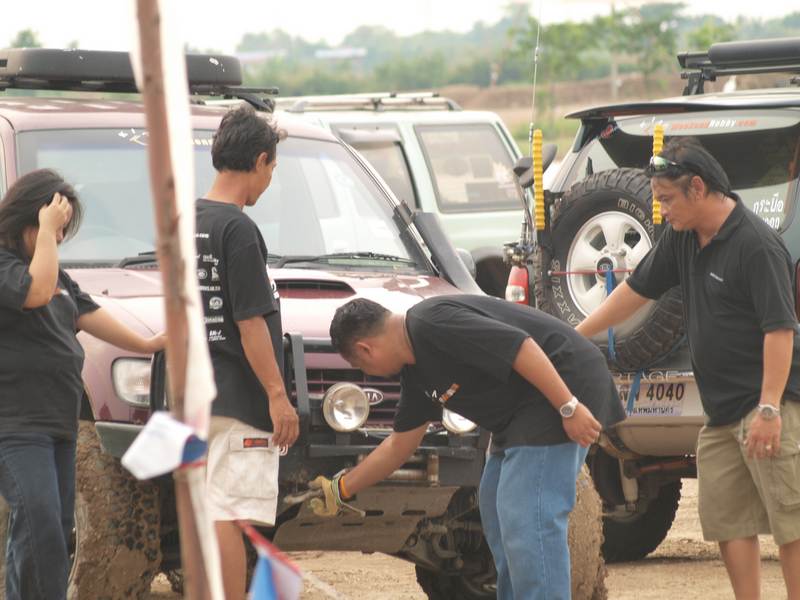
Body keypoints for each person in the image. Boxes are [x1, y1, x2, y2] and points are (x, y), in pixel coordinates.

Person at [576, 137, 800, 600]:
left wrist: (769, 408)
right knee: (727, 522)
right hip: (719, 415)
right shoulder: (682, 237)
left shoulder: (756, 245)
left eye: (666, 200)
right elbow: (636, 291)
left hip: (769, 406)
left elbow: (780, 331)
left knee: (792, 522)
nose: (661, 210)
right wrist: (577, 334)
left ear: (697, 187)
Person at [313, 294, 626, 600]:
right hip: (519, 413)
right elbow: (400, 445)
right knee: (496, 512)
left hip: (564, 383)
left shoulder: (432, 322)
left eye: (360, 365)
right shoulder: (415, 372)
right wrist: (341, 488)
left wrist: (568, 406)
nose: (367, 373)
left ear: (364, 349)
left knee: (529, 517)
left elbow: (521, 346)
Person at [0, 169, 165, 600]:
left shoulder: (54, 273)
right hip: (16, 425)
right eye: (55, 227)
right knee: (39, 525)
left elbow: (86, 312)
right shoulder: (6, 265)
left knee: (49, 529)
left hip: (59, 422)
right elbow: (35, 293)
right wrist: (48, 231)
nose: (58, 238)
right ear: (29, 217)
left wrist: (148, 343)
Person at [196, 104, 299, 599]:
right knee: (228, 514)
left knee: (209, 508)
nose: (269, 182)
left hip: (197, 394)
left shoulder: (186, 219)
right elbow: (250, 320)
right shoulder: (237, 229)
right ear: (259, 161)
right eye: (272, 169)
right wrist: (277, 395)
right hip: (239, 396)